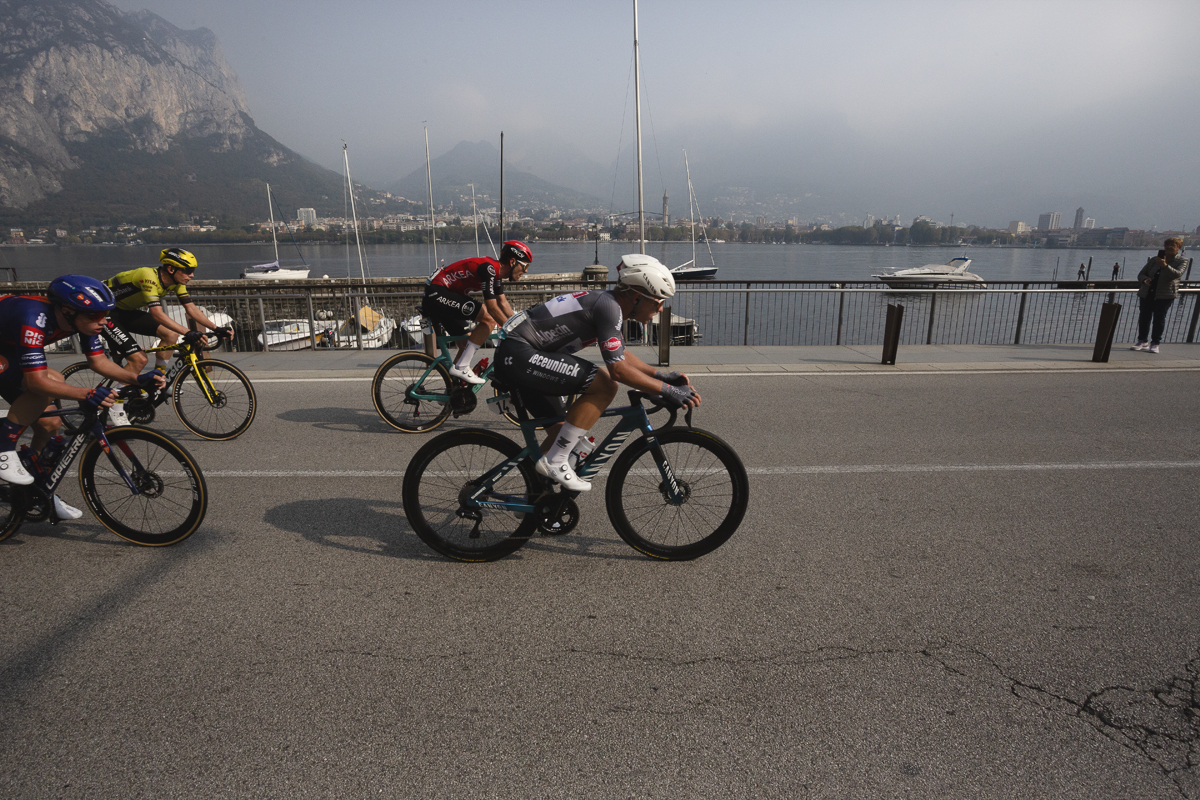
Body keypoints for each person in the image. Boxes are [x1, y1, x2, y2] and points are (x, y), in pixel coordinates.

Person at [494, 254, 700, 492]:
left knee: (563, 433)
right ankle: (555, 462)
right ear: (637, 297)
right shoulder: (609, 307)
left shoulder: (608, 303)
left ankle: (535, 492)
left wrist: (659, 377)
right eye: (658, 302)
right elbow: (618, 371)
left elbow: (621, 354)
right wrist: (668, 391)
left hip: (519, 354)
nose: (661, 309)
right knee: (605, 384)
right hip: (519, 354)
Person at [0, 276, 165, 518]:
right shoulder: (34, 316)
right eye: (95, 315)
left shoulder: (83, 321)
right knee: (49, 382)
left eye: (105, 314)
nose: (103, 321)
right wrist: (86, 393)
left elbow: (98, 362)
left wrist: (137, 379)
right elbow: (36, 382)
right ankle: (4, 450)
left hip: (7, 349)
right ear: (67, 311)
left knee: (50, 423)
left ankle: (35, 491)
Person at [101, 248, 230, 423]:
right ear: (171, 269)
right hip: (104, 313)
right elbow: (157, 313)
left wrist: (216, 328)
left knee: (170, 335)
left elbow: (190, 308)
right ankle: (116, 408)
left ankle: (158, 380)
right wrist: (188, 332)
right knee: (139, 360)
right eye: (188, 270)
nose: (191, 275)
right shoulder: (148, 276)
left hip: (125, 311)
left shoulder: (177, 282)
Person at [419, 241, 532, 385]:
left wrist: (521, 326)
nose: (526, 271)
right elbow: (492, 308)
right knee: (489, 319)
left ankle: (454, 390)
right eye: (525, 266)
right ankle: (462, 367)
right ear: (512, 262)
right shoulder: (489, 269)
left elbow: (503, 303)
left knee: (465, 345)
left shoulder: (496, 275)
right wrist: (511, 330)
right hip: (437, 292)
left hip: (443, 294)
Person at [1131, 237, 1187, 354]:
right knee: (1144, 317)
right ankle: (1142, 341)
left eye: (1172, 245)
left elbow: (1176, 275)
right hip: (1147, 293)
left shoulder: (1182, 261)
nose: (1169, 248)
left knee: (1159, 319)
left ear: (1178, 247)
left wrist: (1164, 265)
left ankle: (1155, 343)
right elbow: (1141, 274)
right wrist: (1145, 280)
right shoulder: (1154, 260)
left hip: (1165, 295)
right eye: (1167, 245)